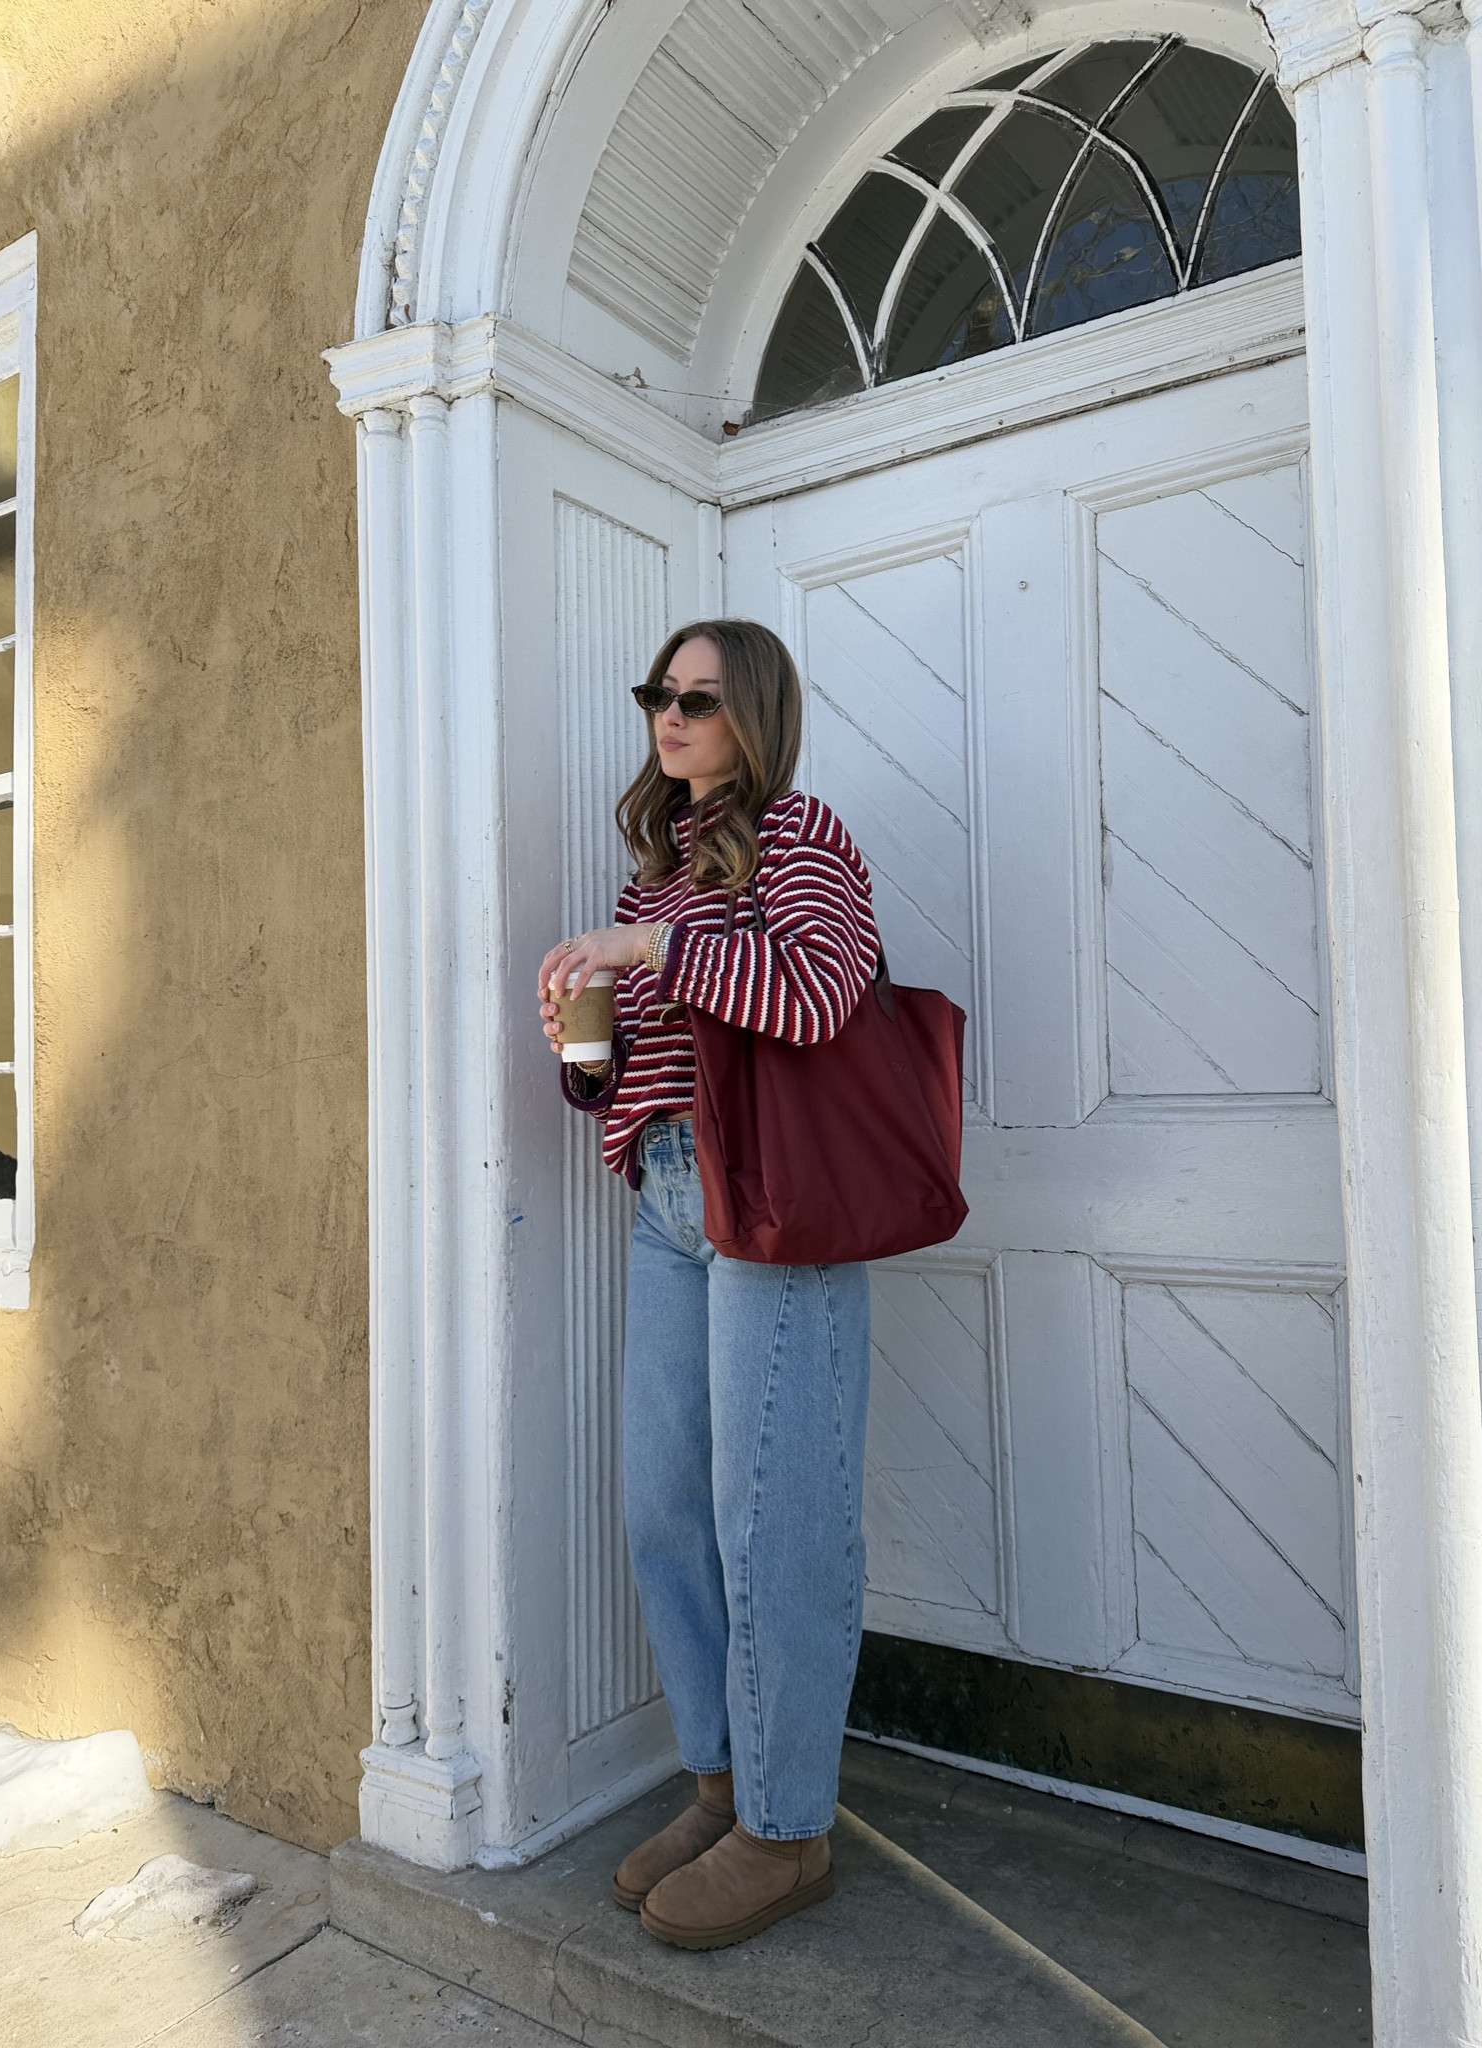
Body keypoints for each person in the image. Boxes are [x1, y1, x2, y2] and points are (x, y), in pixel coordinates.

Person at [538, 619, 881, 1952]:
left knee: (774, 1520)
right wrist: (584, 1040)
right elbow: (628, 1079)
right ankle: (723, 1786)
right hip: (667, 1200)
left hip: (772, 1206)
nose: (667, 719)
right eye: (656, 696)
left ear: (752, 717)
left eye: (697, 699)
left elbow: (821, 1000)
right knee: (664, 1510)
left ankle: (789, 1831)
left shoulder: (802, 839)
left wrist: (652, 961)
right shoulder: (654, 878)